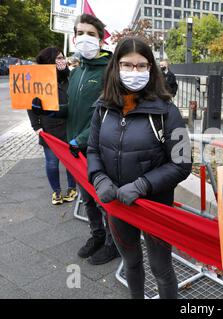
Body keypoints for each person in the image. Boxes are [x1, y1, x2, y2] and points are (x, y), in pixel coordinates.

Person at [87, 36, 192, 299]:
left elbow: (182, 163)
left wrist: (143, 184)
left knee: (161, 268)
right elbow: (93, 151)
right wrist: (98, 177)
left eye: (141, 66)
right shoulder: (102, 109)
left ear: (151, 69)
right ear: (115, 67)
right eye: (126, 65)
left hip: (154, 207)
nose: (134, 72)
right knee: (131, 263)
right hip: (117, 206)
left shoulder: (167, 112)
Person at [67, 13, 119, 265]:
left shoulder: (110, 71)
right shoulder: (76, 73)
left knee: (102, 199)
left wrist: (84, 138)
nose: (84, 38)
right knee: (86, 198)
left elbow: (110, 111)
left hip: (98, 149)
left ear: (100, 40)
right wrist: (50, 111)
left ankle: (113, 243)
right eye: (80, 33)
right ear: (74, 37)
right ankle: (97, 235)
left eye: (91, 34)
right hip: (75, 150)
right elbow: (73, 108)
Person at [27, 47, 78, 205]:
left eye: (62, 58)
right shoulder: (39, 82)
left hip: (69, 127)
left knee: (71, 162)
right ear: (49, 62)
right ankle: (56, 192)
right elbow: (31, 105)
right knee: (51, 162)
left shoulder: (70, 78)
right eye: (58, 59)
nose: (62, 61)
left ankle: (72, 188)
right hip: (49, 128)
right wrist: (36, 126)